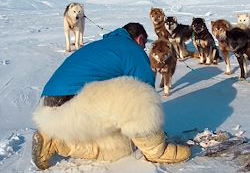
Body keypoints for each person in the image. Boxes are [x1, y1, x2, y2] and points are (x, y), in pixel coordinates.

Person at [31, 22, 191, 170]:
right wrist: (154, 132)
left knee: (124, 146)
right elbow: (145, 92)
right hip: (74, 104)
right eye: (143, 44)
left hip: (50, 114)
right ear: (140, 38)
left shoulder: (101, 45)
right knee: (139, 95)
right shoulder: (132, 50)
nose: (143, 48)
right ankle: (157, 151)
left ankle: (56, 142)